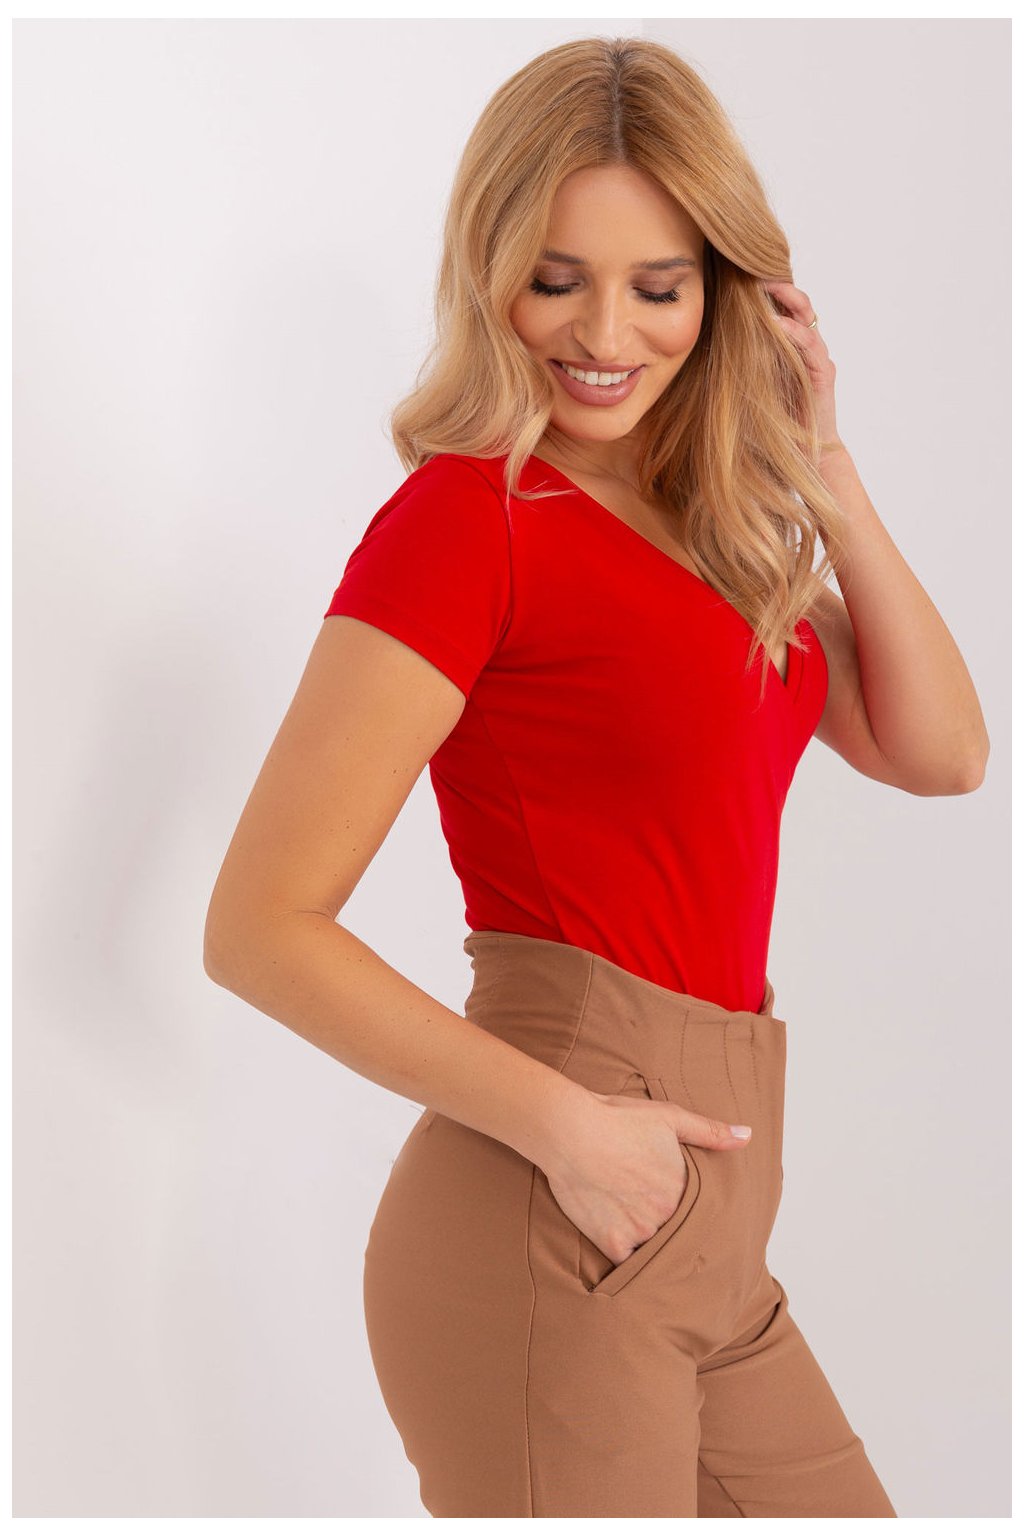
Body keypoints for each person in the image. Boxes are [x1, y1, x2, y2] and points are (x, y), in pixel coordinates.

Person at [203, 36, 988, 1518]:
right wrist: (573, 1133)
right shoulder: (470, 523)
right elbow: (256, 928)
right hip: (555, 1211)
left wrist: (826, 469)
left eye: (659, 286)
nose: (604, 332)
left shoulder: (718, 529)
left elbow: (944, 753)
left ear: (728, 292)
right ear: (489, 272)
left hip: (710, 1232)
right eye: (556, 279)